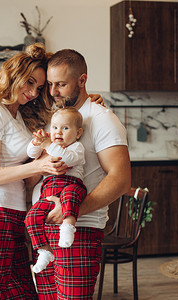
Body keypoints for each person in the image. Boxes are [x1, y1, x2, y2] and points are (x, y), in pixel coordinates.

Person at [0, 43, 65, 299]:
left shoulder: (18, 117)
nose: (32, 92)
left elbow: (27, 178)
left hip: (15, 215)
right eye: (29, 82)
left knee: (23, 293)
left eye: (39, 88)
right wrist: (39, 164)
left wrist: (43, 157)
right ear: (13, 75)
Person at [32, 49, 131, 299]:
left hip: (81, 230)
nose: (54, 91)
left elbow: (120, 180)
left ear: (82, 80)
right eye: (51, 84)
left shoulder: (102, 119)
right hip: (45, 231)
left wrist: (70, 212)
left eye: (61, 84)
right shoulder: (56, 119)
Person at [24, 107, 87, 274]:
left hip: (72, 185)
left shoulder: (76, 147)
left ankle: (68, 227)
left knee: (70, 195)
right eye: (54, 127)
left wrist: (48, 145)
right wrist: (36, 143)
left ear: (78, 133)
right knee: (31, 217)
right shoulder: (49, 147)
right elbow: (31, 153)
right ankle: (44, 250)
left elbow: (66, 159)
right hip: (49, 191)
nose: (58, 132)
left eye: (65, 128)